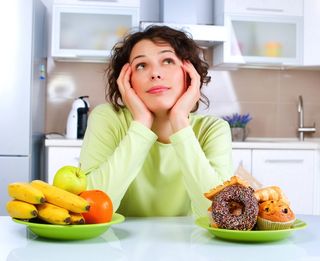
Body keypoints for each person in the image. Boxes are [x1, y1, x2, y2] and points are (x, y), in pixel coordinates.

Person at [79, 25, 232, 218]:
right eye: (141, 65)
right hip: (116, 244)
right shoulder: (107, 118)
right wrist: (141, 123)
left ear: (189, 73)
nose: (155, 73)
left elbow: (220, 215)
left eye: (167, 61)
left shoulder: (213, 130)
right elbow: (89, 208)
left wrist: (179, 122)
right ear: (127, 80)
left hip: (190, 245)